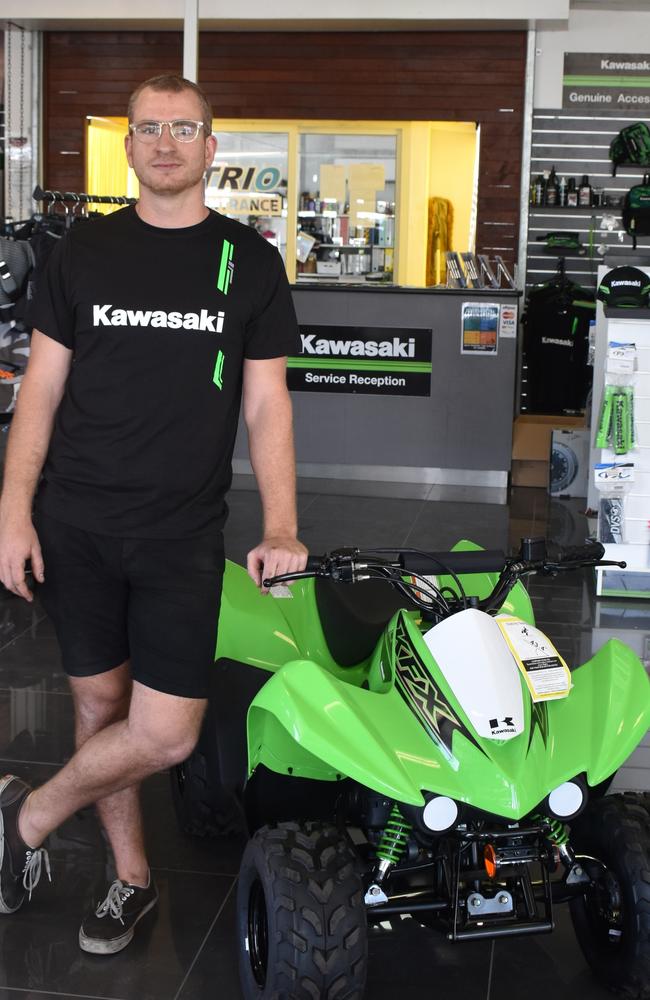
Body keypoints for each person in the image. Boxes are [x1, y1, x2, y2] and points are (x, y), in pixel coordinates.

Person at [0, 74, 307, 954]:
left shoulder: (248, 261)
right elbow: (41, 392)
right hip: (77, 523)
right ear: (128, 147)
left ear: (212, 149)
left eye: (184, 127)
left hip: (180, 532)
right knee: (99, 707)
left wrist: (280, 524)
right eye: (148, 128)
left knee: (166, 733)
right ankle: (129, 881)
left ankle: (28, 818)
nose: (165, 141)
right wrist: (13, 512)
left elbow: (267, 406)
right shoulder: (82, 254)